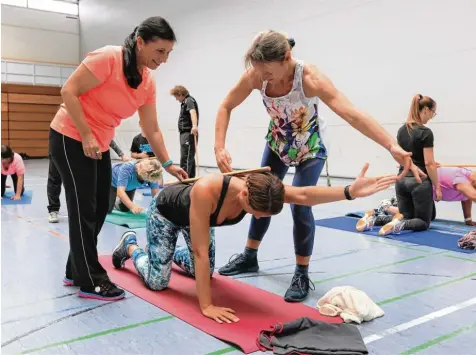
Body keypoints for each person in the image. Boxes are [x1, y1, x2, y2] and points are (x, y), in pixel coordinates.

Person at [214, 30, 425, 302]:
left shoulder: (310, 79)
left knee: (301, 206)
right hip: (277, 144)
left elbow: (352, 113)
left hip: (309, 147)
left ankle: (302, 272)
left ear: (286, 57)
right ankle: (249, 255)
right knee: (258, 196)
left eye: (267, 72)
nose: (262, 77)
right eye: (259, 71)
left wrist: (390, 145)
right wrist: (219, 146)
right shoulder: (256, 74)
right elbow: (226, 105)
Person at [111, 164, 396, 324]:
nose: (259, 217)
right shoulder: (208, 190)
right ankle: (132, 246)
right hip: (167, 213)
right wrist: (206, 305)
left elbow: (305, 194)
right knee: (159, 281)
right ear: (244, 196)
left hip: (197, 222)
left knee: (205, 272)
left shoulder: (265, 191)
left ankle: (168, 253)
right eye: (257, 213)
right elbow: (199, 251)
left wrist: (350, 192)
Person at [49, 16, 188, 302]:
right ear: (140, 42)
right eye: (159, 51)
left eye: (168, 53)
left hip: (96, 143)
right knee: (82, 209)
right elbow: (69, 92)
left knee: (100, 207)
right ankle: (90, 281)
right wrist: (86, 134)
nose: (163, 59)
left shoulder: (146, 82)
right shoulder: (108, 58)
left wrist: (167, 163)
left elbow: (151, 128)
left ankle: (75, 269)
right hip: (71, 136)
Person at [358, 94, 439, 236]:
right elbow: (428, 163)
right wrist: (437, 186)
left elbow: (401, 155)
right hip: (419, 181)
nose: (432, 116)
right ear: (425, 109)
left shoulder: (402, 131)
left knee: (405, 215)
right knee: (423, 222)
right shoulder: (425, 132)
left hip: (401, 181)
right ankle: (400, 225)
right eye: (433, 112)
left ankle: (374, 218)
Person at [358, 167, 476, 232]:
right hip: (418, 188)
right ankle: (385, 209)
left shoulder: (468, 178)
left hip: (420, 189)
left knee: (429, 216)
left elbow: (466, 198)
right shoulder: (462, 181)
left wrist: (468, 219)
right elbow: (473, 196)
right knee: (420, 220)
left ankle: (382, 212)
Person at [48, 139, 130, 223]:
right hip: (61, 145)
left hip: (79, 152)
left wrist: (121, 154)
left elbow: (108, 139)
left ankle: (80, 211)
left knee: (76, 182)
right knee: (55, 178)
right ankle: (53, 210)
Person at [170, 85, 199, 178]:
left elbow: (192, 112)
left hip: (188, 133)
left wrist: (194, 126)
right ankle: (190, 179)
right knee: (189, 157)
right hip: (184, 133)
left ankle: (184, 179)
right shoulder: (184, 102)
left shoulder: (189, 100)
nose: (176, 99)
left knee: (185, 157)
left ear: (180, 94)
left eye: (176, 96)